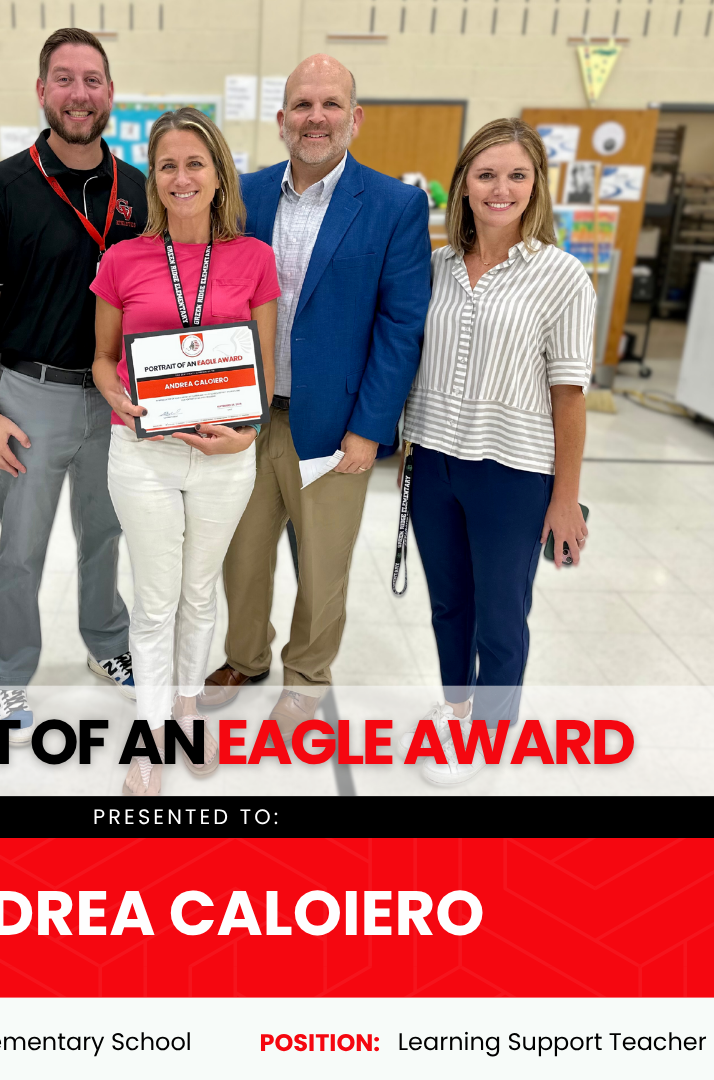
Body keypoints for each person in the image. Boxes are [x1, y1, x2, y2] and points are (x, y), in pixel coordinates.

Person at [199, 55, 432, 734]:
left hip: (335, 424)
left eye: (331, 104)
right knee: (240, 556)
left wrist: (371, 427)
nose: (316, 117)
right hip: (246, 414)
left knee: (323, 564)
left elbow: (400, 325)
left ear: (354, 119)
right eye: (302, 105)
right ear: (280, 121)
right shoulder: (242, 195)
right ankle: (244, 657)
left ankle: (307, 676)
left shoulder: (394, 205)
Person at [0, 28, 148, 733]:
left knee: (105, 534)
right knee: (21, 547)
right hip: (29, 394)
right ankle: (9, 673)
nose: (79, 93)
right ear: (42, 91)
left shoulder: (136, 188)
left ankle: (107, 644)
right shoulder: (5, 187)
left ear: (109, 93)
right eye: (64, 79)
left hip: (112, 396)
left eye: (92, 79)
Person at [399, 117, 594, 785]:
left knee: (501, 616)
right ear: (463, 186)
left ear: (536, 185)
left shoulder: (562, 277)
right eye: (486, 174)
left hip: (512, 473)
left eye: (516, 174)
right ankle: (457, 710)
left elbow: (570, 397)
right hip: (434, 465)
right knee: (449, 603)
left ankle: (488, 738)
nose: (500, 188)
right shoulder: (437, 266)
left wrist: (564, 500)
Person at [91, 108, 279, 796]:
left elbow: (263, 368)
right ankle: (147, 734)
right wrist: (116, 396)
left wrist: (248, 433)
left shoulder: (254, 259)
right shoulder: (122, 258)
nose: (180, 176)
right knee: (154, 600)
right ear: (154, 179)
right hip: (142, 454)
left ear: (218, 173)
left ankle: (187, 707)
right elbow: (103, 361)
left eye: (194, 163)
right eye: (167, 165)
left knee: (200, 594)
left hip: (227, 455)